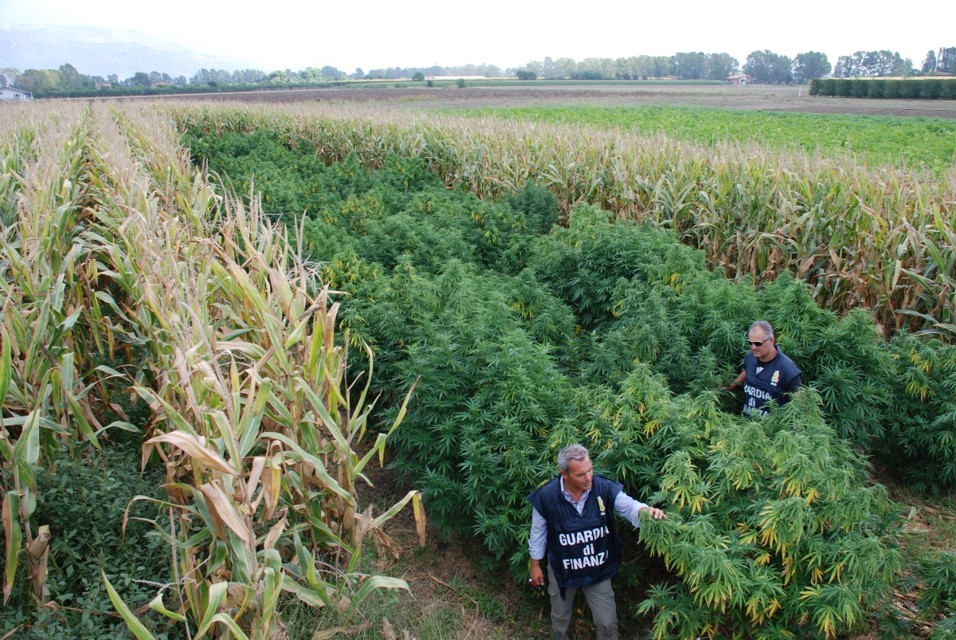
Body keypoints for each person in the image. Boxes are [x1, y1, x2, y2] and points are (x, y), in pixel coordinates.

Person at [528, 444, 666, 640]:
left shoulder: (603, 487)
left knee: (607, 622)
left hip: (597, 567)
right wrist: (535, 565)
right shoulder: (546, 496)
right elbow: (538, 532)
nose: (588, 477)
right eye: (581, 474)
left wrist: (647, 512)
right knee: (559, 618)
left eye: (590, 470)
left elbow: (628, 506)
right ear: (564, 474)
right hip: (562, 568)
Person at [722, 320, 802, 416]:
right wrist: (731, 386)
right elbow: (747, 371)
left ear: (771, 340)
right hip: (745, 423)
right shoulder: (750, 358)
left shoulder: (787, 369)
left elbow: (799, 400)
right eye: (750, 343)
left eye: (758, 343)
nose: (753, 347)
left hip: (769, 428)